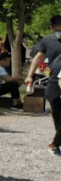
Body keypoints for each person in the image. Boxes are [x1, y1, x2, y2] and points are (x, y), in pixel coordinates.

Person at [24, 15, 61, 156]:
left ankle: (55, 144)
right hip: (53, 82)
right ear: (52, 28)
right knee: (56, 112)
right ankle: (58, 138)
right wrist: (31, 75)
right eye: (57, 30)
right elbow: (39, 59)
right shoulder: (47, 41)